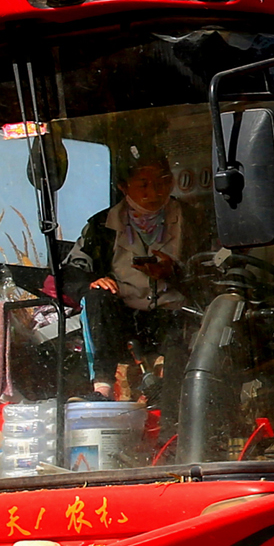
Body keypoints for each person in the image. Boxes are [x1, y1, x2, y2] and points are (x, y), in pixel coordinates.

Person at [68, 149, 193, 394]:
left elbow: (212, 273)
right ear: (124, 187)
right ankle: (102, 387)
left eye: (162, 183)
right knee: (97, 295)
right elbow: (72, 273)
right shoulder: (102, 226)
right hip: (125, 321)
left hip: (175, 318)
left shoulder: (192, 219)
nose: (154, 193)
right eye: (144, 184)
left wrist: (172, 272)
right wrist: (94, 282)